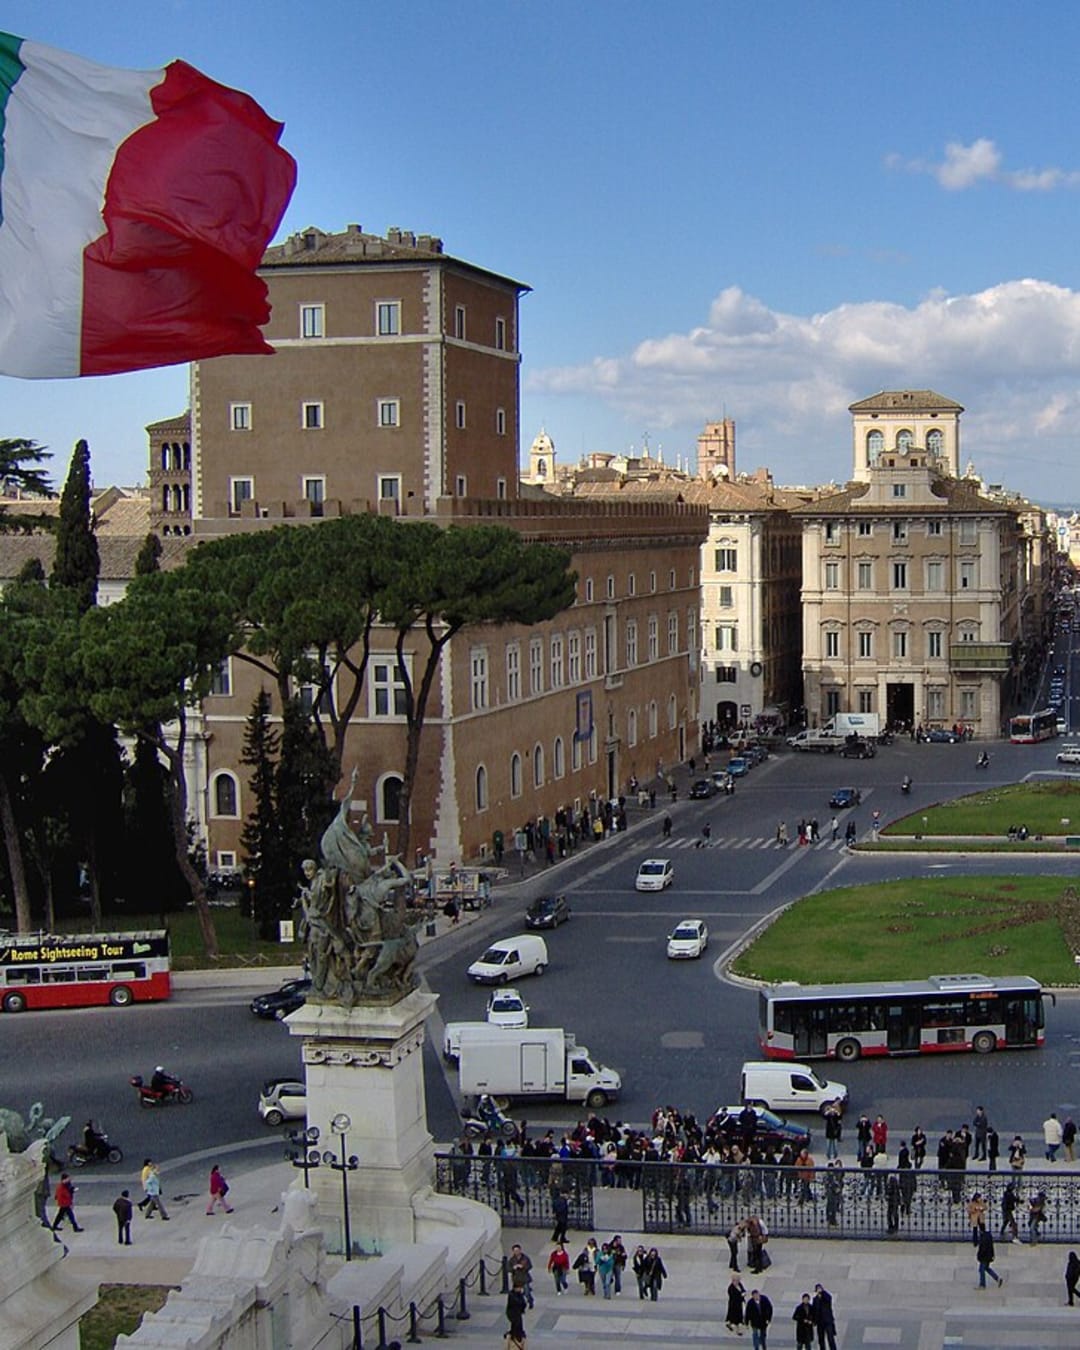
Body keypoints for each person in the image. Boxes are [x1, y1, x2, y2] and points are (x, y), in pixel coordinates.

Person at [812, 1283, 837, 1350]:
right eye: (817, 1289)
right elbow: (814, 1310)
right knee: (821, 1339)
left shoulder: (826, 1297)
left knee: (830, 1338)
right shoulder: (815, 1299)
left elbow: (829, 1298)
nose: (819, 1290)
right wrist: (814, 1320)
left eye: (820, 1289)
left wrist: (823, 1292)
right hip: (820, 1322)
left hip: (828, 1321)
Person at [509, 1243, 534, 1309]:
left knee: (527, 1293)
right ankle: (521, 1305)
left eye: (517, 1250)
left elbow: (530, 1266)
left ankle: (530, 1301)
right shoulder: (512, 1260)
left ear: (520, 1250)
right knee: (517, 1294)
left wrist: (523, 1267)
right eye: (514, 1251)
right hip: (516, 1279)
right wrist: (513, 1268)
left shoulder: (525, 1258)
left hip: (524, 1278)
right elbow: (508, 1268)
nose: (516, 1252)